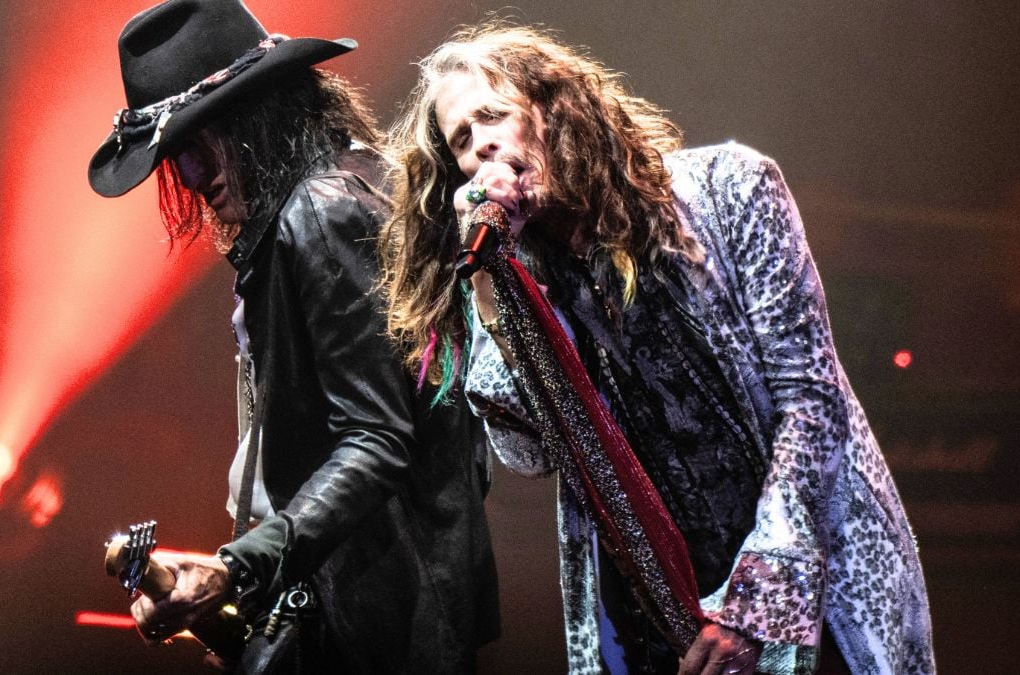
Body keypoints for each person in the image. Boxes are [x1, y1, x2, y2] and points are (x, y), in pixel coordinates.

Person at [380, 24, 934, 675]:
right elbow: (528, 453)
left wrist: (751, 611)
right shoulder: (525, 281)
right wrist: (490, 287)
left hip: (808, 584)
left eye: (493, 114)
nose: (483, 146)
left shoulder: (733, 188)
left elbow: (809, 404)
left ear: (555, 109)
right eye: (462, 140)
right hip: (672, 617)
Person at [87, 1, 499, 671]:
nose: (189, 177)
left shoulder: (324, 210)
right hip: (358, 618)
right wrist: (239, 601)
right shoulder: (330, 199)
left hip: (379, 636)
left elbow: (378, 439)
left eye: (199, 143)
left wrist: (233, 571)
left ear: (257, 115)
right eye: (175, 156)